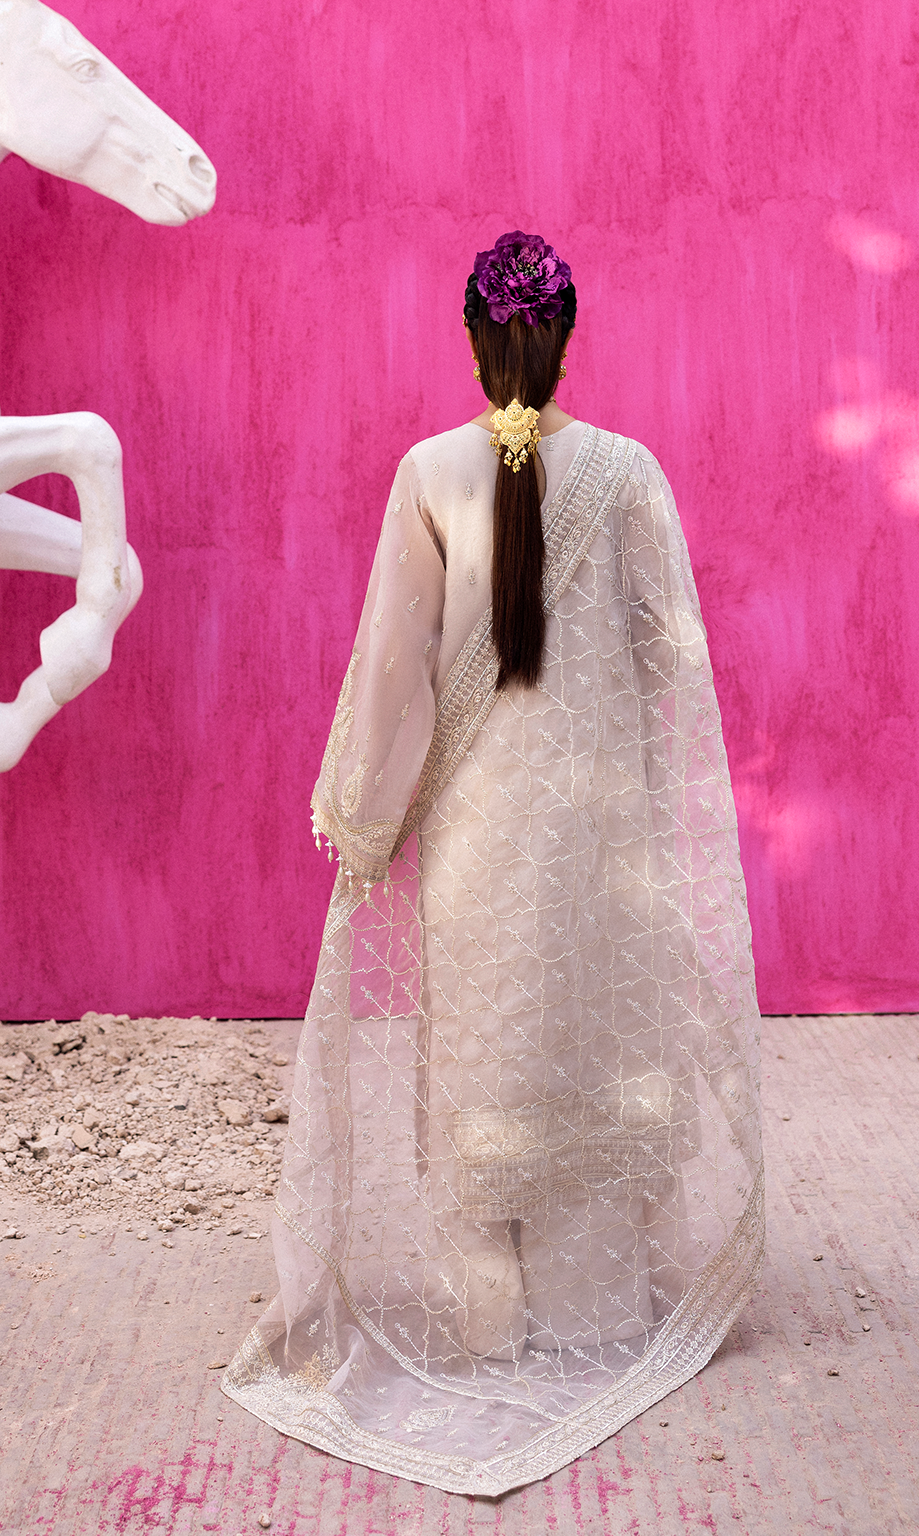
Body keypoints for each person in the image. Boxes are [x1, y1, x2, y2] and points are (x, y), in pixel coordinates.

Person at [223, 231, 763, 1496]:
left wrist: (366, 816)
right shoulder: (626, 472)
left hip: (479, 832)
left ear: (474, 342)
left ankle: (487, 1317)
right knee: (592, 1038)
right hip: (601, 833)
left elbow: (396, 664)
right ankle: (599, 1305)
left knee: (491, 1048)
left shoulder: (428, 471)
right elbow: (669, 657)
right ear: (567, 338)